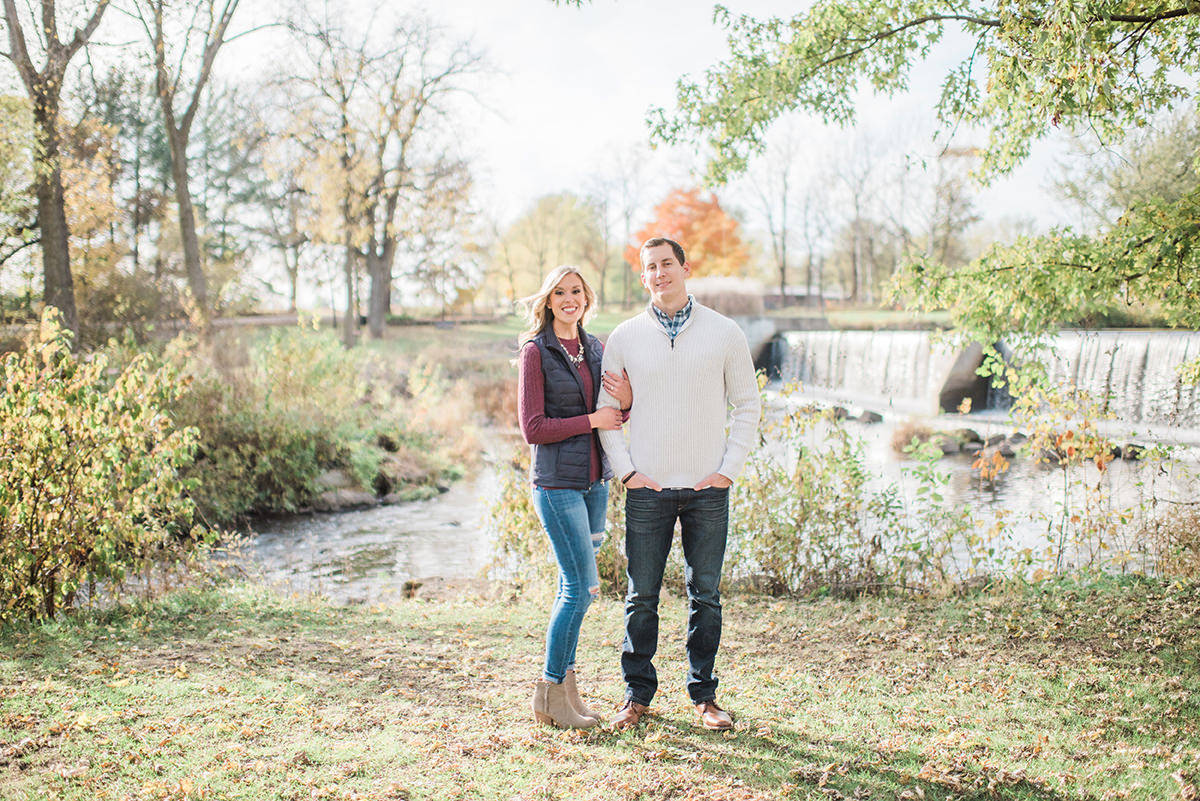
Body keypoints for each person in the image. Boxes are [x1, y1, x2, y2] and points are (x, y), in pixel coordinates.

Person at [597, 236, 760, 731]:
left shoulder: (724, 332)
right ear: (643, 277)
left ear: (685, 268)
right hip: (648, 489)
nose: (660, 273)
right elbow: (609, 415)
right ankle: (636, 695)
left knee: (705, 595)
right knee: (640, 597)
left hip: (707, 489)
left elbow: (747, 405)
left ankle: (705, 697)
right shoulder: (624, 337)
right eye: (650, 267)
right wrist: (626, 471)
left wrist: (727, 469)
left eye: (667, 263)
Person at [518, 264, 632, 729]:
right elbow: (533, 428)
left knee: (580, 589)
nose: (570, 299)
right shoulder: (535, 351)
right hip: (556, 486)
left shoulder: (595, 347)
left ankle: (564, 691)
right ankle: (549, 691)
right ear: (548, 300)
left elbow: (613, 413)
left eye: (577, 291)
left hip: (593, 485)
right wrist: (592, 422)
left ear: (587, 297)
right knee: (579, 589)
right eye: (561, 292)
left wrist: (625, 400)